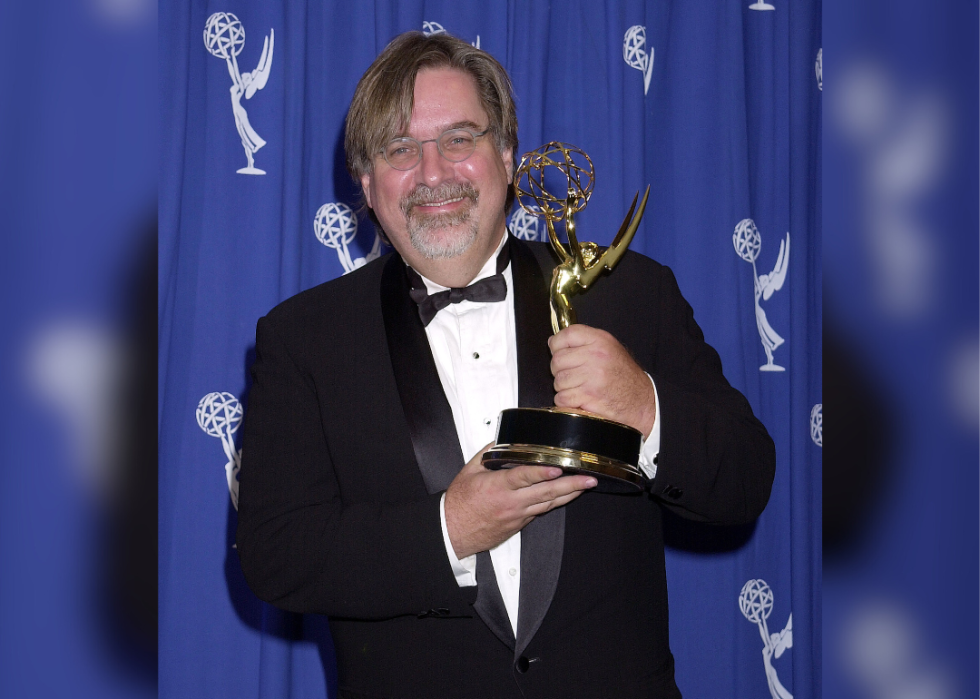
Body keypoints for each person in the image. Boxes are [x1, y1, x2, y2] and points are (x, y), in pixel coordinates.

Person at [237, 31, 775, 699]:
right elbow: (274, 553)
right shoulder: (304, 338)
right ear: (367, 183)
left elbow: (748, 478)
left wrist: (646, 407)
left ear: (508, 156)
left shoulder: (630, 293)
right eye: (401, 149)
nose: (434, 173)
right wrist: (449, 528)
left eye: (459, 138)